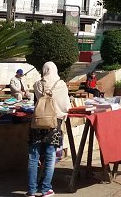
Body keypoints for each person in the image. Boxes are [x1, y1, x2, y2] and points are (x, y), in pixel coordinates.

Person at [27, 61, 70, 197]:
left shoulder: (38, 84)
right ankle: (46, 189)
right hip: (54, 124)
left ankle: (31, 190)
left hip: (37, 124)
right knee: (50, 156)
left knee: (33, 157)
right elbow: (66, 107)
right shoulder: (61, 85)